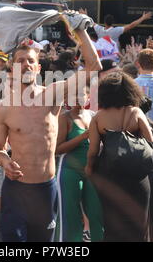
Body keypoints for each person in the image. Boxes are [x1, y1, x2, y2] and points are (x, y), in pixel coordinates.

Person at [0, 12, 101, 242]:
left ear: (38, 68)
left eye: (30, 61)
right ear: (12, 68)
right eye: (20, 61)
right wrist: (5, 162)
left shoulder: (52, 95)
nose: (25, 65)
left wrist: (79, 29)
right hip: (16, 190)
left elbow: (94, 66)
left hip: (45, 189)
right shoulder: (2, 107)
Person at [85, 71, 153, 242]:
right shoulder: (136, 112)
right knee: (139, 225)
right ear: (130, 91)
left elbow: (93, 151)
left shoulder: (98, 118)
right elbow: (151, 143)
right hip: (137, 176)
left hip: (110, 176)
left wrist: (89, 167)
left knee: (112, 226)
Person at [55, 87, 103, 242]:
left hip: (91, 170)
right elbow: (57, 149)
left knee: (96, 213)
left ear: (88, 96)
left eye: (81, 94)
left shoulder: (93, 116)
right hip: (69, 171)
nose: (77, 98)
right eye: (73, 95)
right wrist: (83, 136)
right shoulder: (64, 118)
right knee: (70, 216)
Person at [80, 8, 153, 46]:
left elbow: (91, 22)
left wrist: (85, 15)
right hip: (113, 59)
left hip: (101, 59)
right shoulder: (116, 31)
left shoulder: (99, 29)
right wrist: (143, 18)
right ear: (113, 23)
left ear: (105, 23)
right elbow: (131, 25)